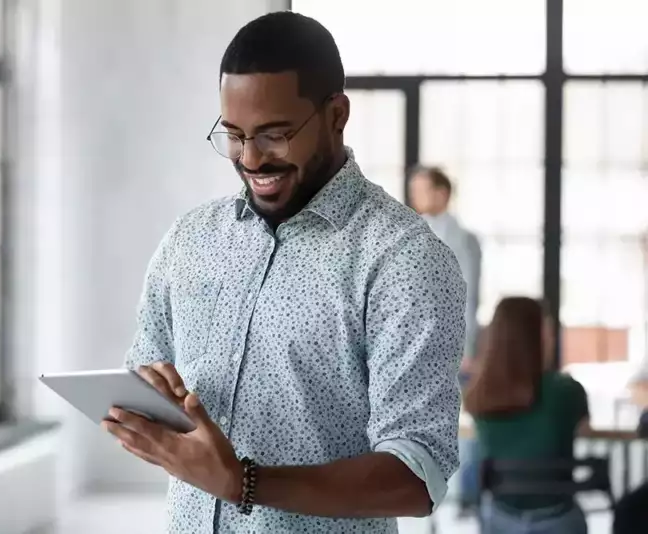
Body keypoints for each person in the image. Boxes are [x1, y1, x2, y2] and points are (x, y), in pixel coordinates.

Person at [102, 12, 466, 533]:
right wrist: (147, 403)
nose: (251, 158)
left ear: (336, 114)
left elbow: (416, 477)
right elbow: (144, 375)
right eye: (233, 135)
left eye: (275, 135)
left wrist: (243, 482)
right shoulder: (190, 239)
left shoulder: (403, 259)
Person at [464, 297, 590, 534]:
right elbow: (584, 429)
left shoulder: (480, 392)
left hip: (500, 521)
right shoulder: (566, 390)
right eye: (548, 328)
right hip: (558, 521)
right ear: (538, 336)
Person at [409, 165, 482, 515]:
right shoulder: (412, 233)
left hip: (454, 345)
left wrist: (466, 348)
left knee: (465, 421)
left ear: (442, 193)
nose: (414, 196)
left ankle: (466, 495)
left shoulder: (463, 238)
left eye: (421, 189)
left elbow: (469, 295)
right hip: (417, 346)